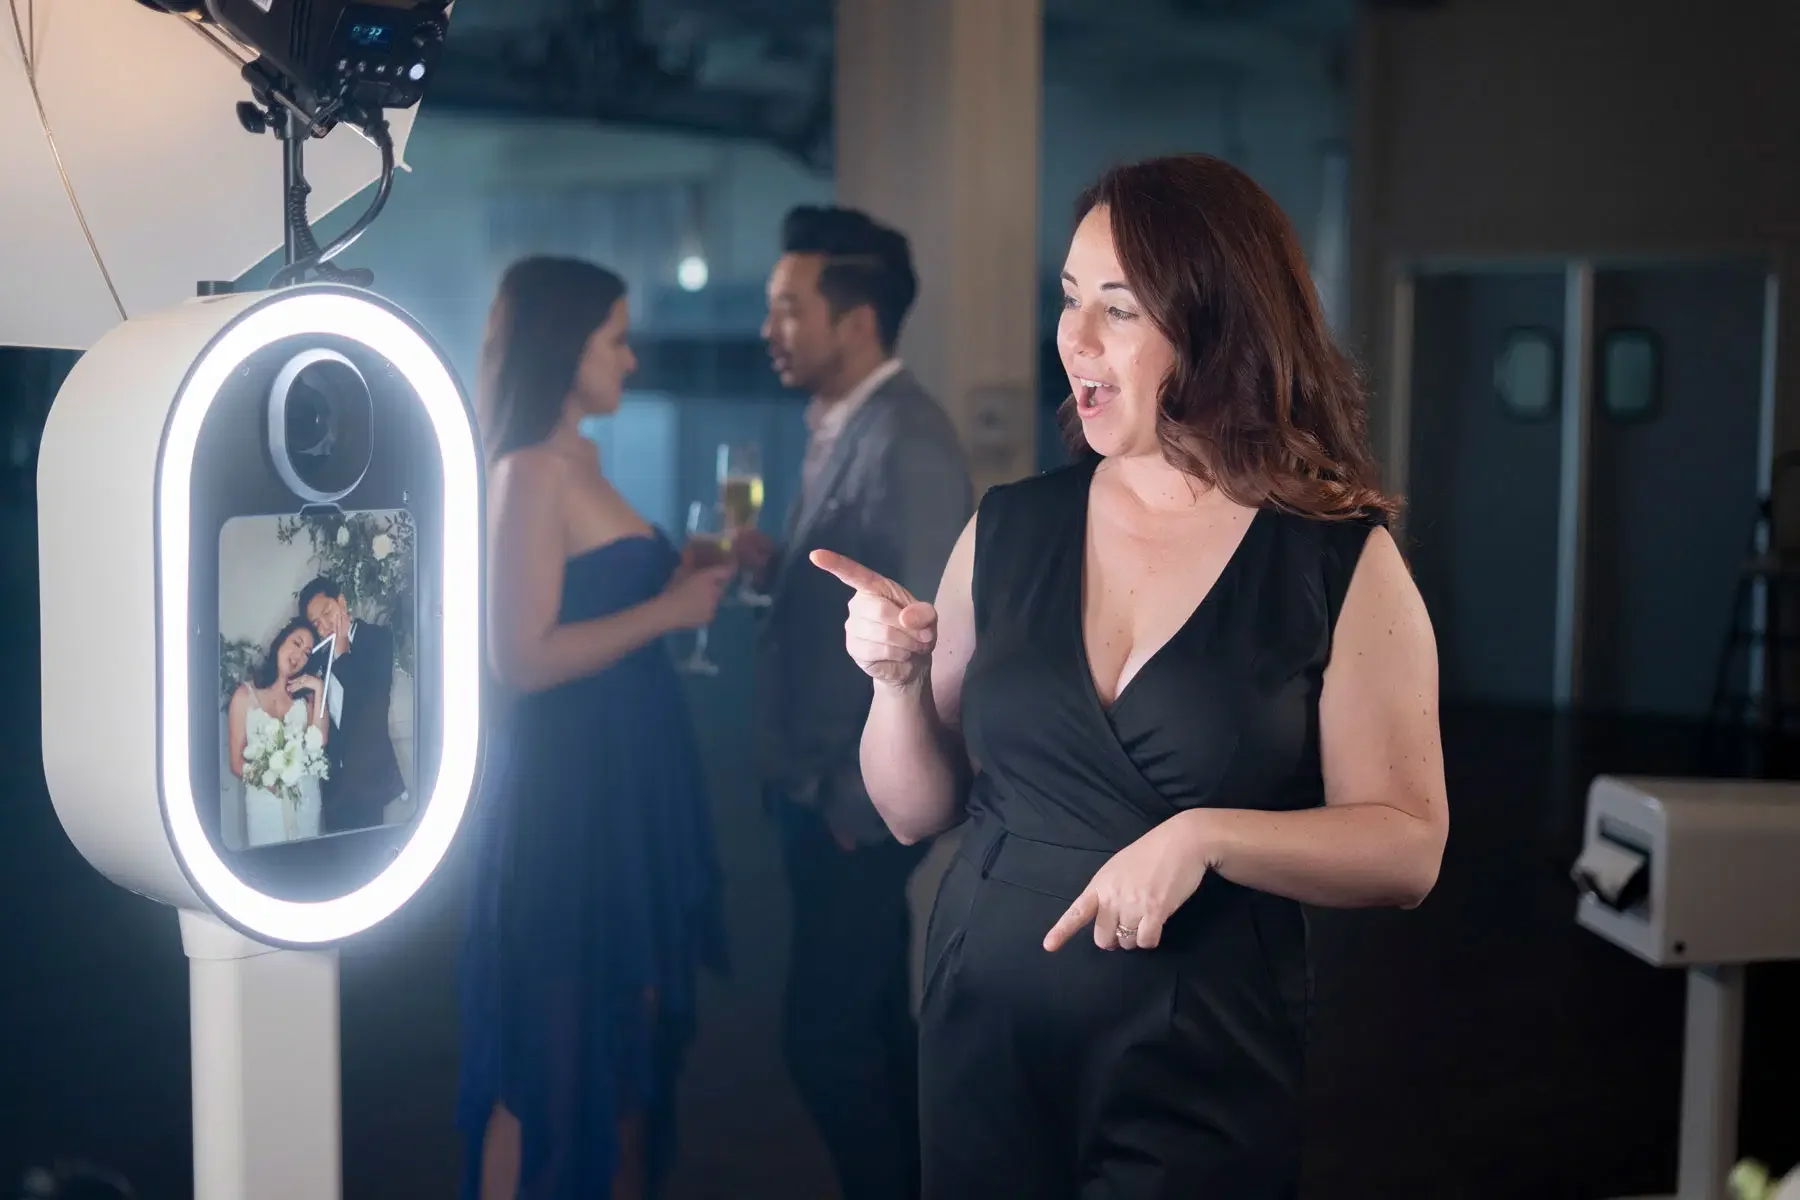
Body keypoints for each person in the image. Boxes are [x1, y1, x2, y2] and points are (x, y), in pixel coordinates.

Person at [812, 153, 1451, 1197]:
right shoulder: (1010, 527)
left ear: (1217, 323)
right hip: (984, 1029)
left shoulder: (1336, 559)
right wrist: (894, 680)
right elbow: (915, 811)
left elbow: (1409, 847)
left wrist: (1209, 835)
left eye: (1119, 307)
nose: (1075, 338)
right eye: (1069, 300)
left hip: (1198, 1050)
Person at [455, 256, 732, 1200]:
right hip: (567, 796)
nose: (632, 358)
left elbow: (584, 598)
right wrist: (670, 610)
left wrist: (672, 578)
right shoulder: (528, 469)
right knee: (548, 1056)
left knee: (616, 1042)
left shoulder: (578, 459)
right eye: (617, 338)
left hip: (623, 779)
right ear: (564, 347)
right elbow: (520, 657)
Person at [732, 205, 972, 1200]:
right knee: (873, 1028)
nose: (768, 330)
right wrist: (780, 570)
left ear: (857, 320)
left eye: (789, 310)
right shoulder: (843, 422)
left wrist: (851, 811)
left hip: (855, 808)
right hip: (819, 790)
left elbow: (931, 641)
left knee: (825, 1044)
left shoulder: (907, 438)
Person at [298, 577, 404, 834]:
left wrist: (343, 653)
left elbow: (373, 703)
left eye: (327, 613)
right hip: (333, 784)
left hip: (369, 779)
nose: (324, 626)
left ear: (342, 602)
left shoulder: (377, 639)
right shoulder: (317, 655)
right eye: (316, 623)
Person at [226, 617, 329, 846]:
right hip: (265, 803)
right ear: (281, 642)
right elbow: (236, 761)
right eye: (297, 643)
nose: (300, 655)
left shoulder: (309, 696)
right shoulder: (244, 696)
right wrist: (268, 778)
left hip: (305, 800)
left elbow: (320, 740)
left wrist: (319, 688)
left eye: (307, 653)